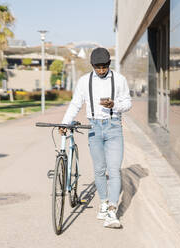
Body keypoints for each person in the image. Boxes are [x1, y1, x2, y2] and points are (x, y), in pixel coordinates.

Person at [60, 47, 131, 228]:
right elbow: (75, 104)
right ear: (92, 65)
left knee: (114, 170)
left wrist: (115, 105)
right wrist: (65, 123)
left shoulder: (120, 79)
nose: (101, 70)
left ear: (109, 64)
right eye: (97, 67)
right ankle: (104, 202)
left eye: (104, 66)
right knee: (99, 169)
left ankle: (112, 211)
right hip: (93, 127)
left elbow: (128, 102)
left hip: (114, 126)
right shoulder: (84, 81)